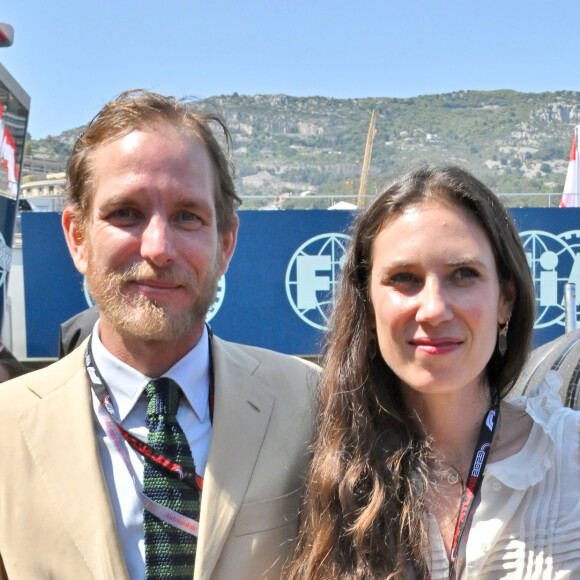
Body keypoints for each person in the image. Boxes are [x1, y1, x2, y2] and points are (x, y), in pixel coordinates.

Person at [0, 90, 318, 580]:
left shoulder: (311, 403)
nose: (158, 247)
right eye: (125, 213)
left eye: (187, 215)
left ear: (226, 243)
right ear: (78, 237)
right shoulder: (7, 427)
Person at [285, 165, 580, 579]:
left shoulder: (570, 456)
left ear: (505, 301)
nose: (435, 310)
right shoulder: (323, 475)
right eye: (404, 278)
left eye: (464, 274)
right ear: (368, 307)